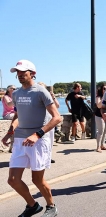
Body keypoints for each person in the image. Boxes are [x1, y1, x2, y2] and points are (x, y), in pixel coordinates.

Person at [2, 60, 61, 216]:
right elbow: (18, 115)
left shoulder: (41, 91)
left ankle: (51, 206)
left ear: (32, 73)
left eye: (23, 72)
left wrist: (37, 134)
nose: (20, 75)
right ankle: (33, 205)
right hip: (20, 140)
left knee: (37, 180)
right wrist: (10, 132)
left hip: (38, 140)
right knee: (13, 180)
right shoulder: (16, 94)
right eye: (18, 72)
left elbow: (57, 118)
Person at [95, 83, 106, 152]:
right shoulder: (99, 97)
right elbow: (98, 106)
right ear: (101, 89)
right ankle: (98, 147)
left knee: (105, 131)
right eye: (104, 88)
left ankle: (102, 145)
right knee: (101, 131)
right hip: (99, 115)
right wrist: (103, 97)